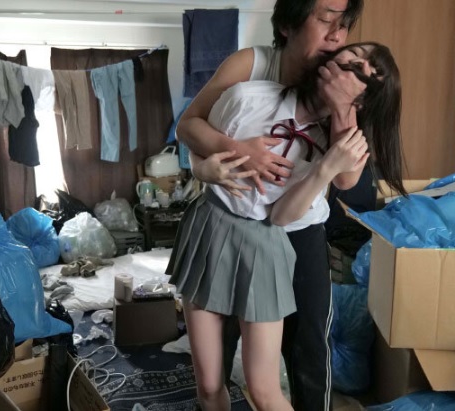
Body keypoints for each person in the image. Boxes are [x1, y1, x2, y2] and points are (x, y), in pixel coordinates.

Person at [168, 42, 405, 411]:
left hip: (268, 242)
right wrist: (203, 167)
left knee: (266, 389)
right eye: (354, 52)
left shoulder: (338, 146)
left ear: (363, 102)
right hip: (211, 228)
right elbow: (194, 135)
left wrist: (326, 165)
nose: (349, 59)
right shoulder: (251, 96)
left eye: (362, 70)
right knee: (210, 387)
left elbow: (293, 209)